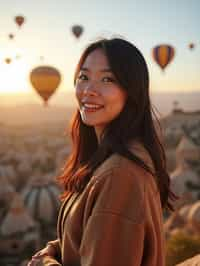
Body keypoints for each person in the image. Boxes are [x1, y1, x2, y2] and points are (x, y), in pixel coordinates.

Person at [28, 38, 175, 266]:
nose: (89, 90)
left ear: (132, 91)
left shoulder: (119, 174)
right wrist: (54, 249)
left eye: (107, 79)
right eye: (83, 77)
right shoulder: (114, 157)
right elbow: (94, 234)